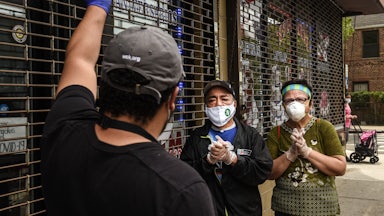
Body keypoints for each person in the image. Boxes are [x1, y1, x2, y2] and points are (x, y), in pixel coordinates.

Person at [40, 1, 216, 215]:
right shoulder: (181, 190)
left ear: (103, 84)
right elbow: (81, 60)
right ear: (172, 100)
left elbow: (80, 59)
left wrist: (98, 5)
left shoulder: (65, 130)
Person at [180, 79, 273, 216]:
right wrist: (208, 161)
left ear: (234, 104)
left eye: (224, 99)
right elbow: (185, 176)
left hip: (245, 211)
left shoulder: (250, 135)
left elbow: (262, 171)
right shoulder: (196, 138)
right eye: (212, 100)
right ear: (206, 106)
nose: (218, 104)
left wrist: (233, 159)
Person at [266, 79, 347, 216]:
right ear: (284, 106)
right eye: (289, 100)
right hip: (285, 209)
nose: (294, 104)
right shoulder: (277, 133)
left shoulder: (323, 127)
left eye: (300, 99)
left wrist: (307, 151)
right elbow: (269, 173)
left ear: (310, 104)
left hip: (323, 207)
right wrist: (291, 153)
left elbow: (340, 167)